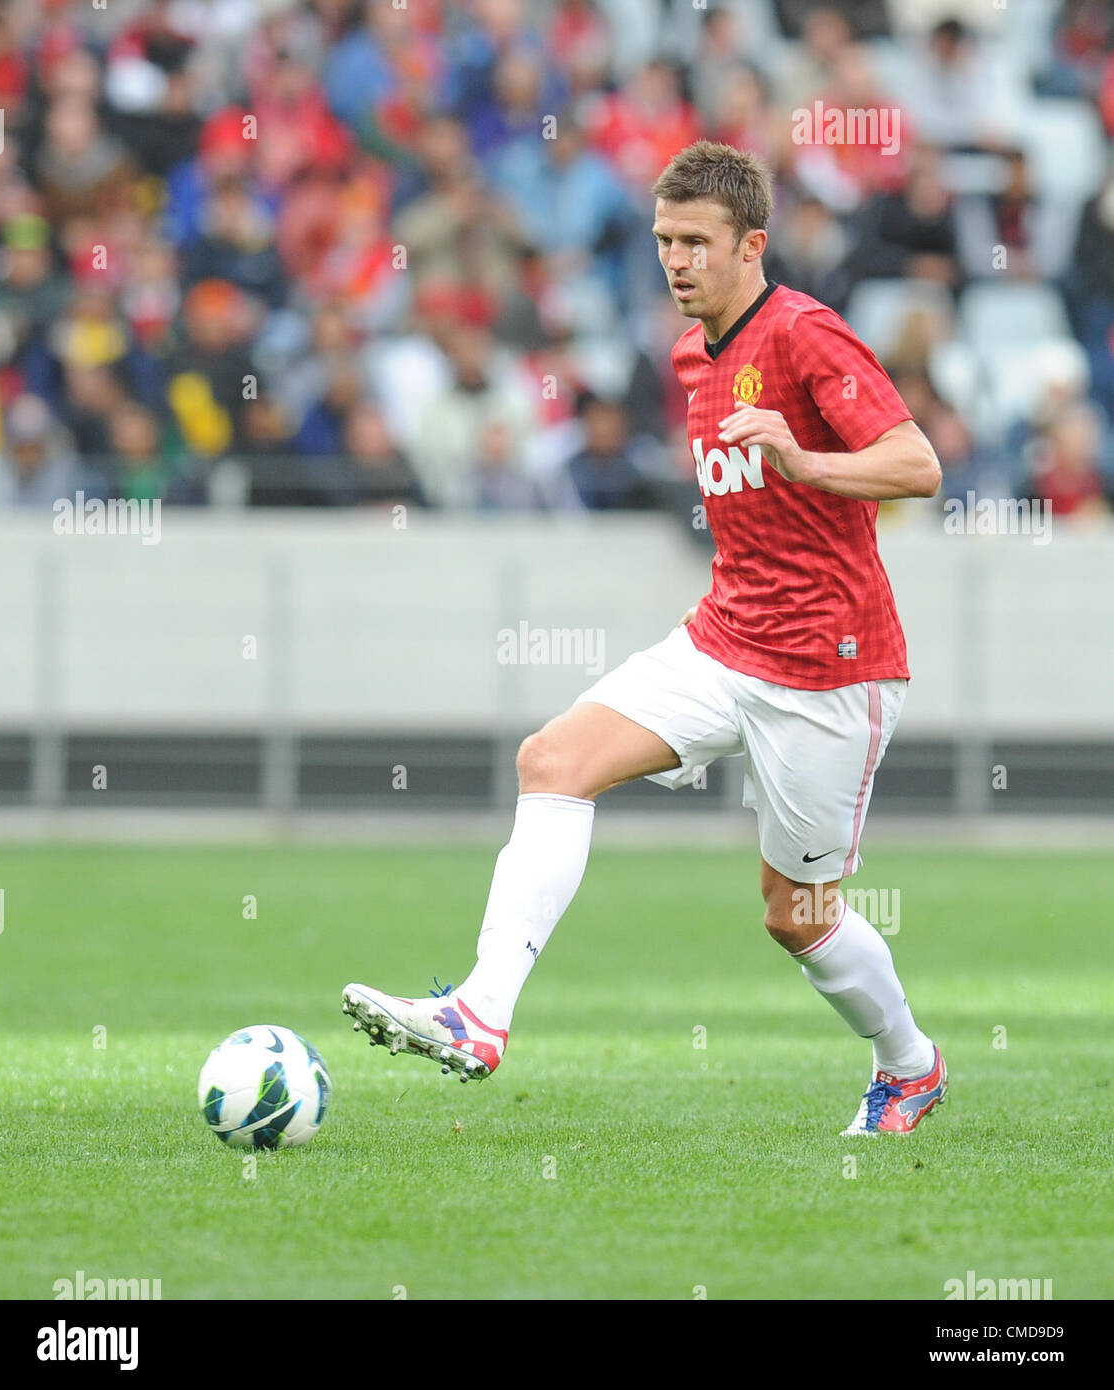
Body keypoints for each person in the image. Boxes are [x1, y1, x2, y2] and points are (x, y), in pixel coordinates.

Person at [342, 141, 947, 1137]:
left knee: (795, 916)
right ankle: (479, 1012)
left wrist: (800, 459)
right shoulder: (683, 354)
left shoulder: (804, 334)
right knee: (553, 758)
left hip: (827, 670)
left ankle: (908, 1064)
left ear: (751, 245)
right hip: (720, 639)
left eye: (695, 242)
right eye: (664, 240)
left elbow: (914, 463)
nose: (675, 261)